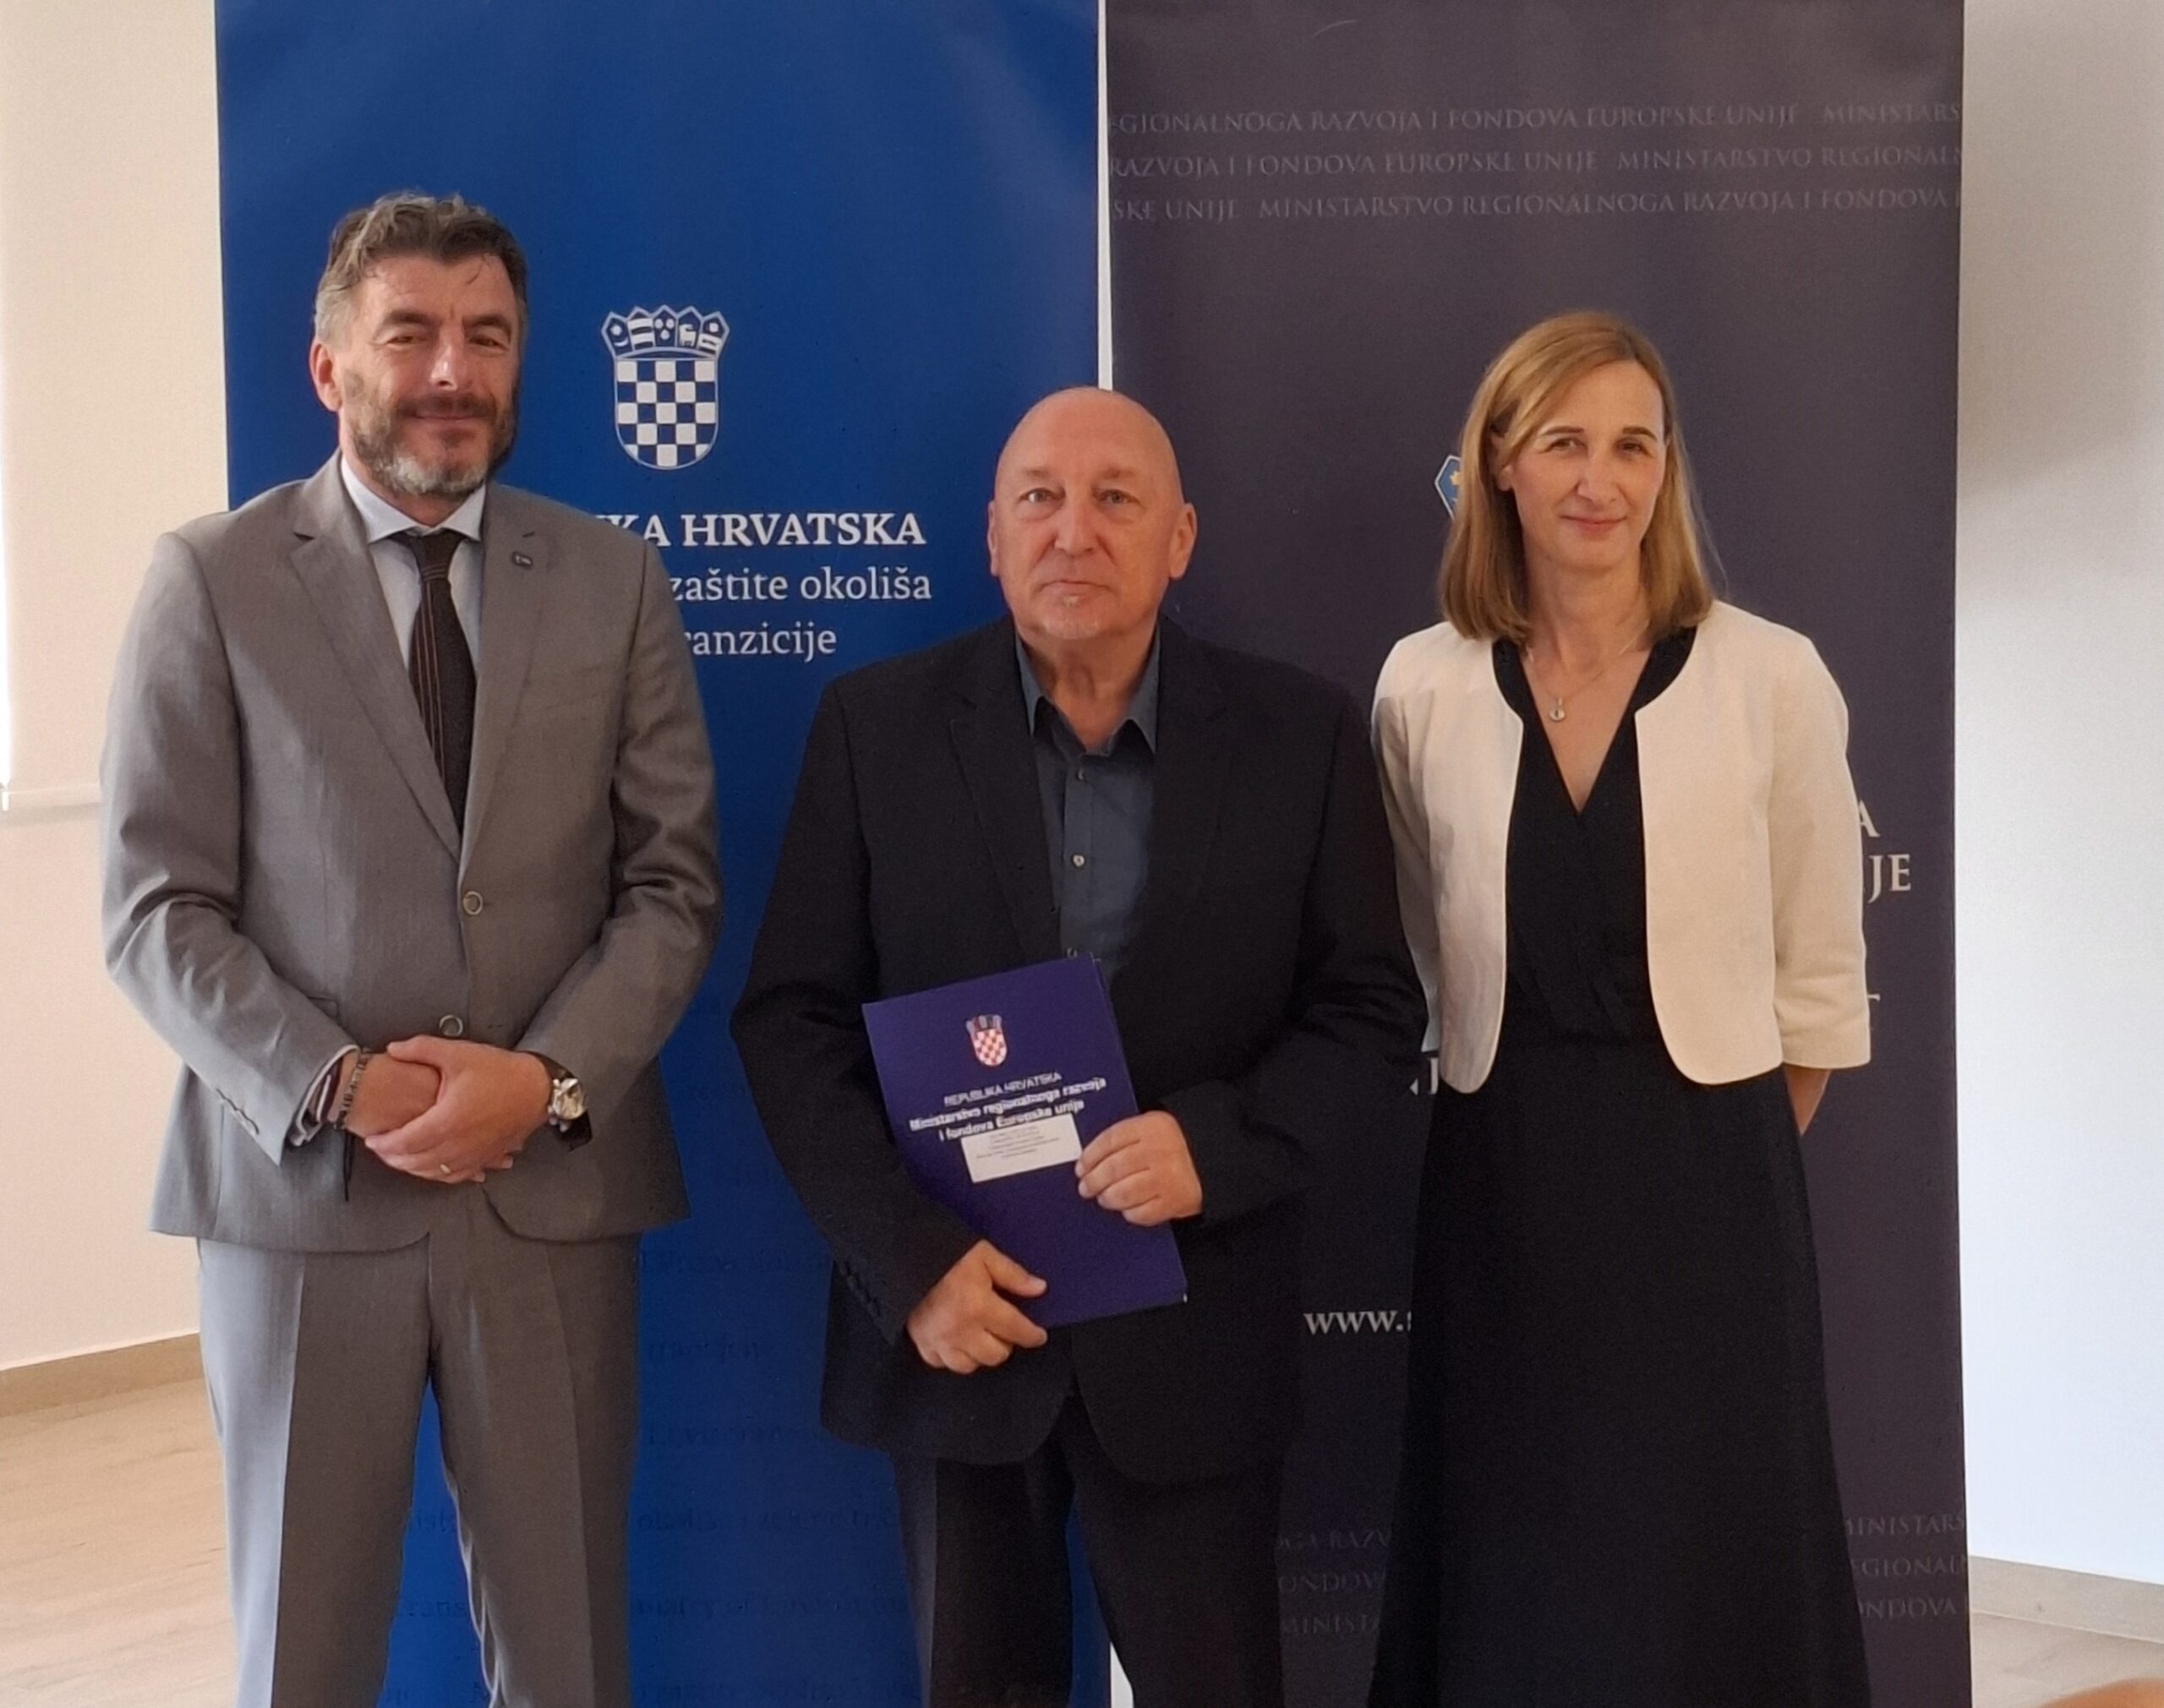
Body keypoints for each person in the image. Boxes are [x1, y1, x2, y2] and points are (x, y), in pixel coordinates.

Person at [101, 192, 720, 1708]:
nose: (454, 369)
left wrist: (545, 1078)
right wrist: (343, 1082)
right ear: (331, 367)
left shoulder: (614, 579)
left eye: (487, 336)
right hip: (301, 1206)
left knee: (569, 1656)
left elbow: (671, 884)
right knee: (301, 1659)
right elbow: (154, 907)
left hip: (549, 1199)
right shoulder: (212, 579)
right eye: (413, 334)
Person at [732, 387, 1425, 1708]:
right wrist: (908, 1262)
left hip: (1196, 1332)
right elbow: (792, 1022)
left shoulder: (1304, 735)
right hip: (959, 1333)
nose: (1073, 530)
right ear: (992, 536)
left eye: (1116, 499)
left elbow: (1371, 1009)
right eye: (1040, 499)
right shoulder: (874, 729)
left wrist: (1216, 1149)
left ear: (1180, 538)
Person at [1367, 312, 1872, 1705]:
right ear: (1500, 465)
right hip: (1502, 1173)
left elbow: (1818, 985)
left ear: (1666, 470)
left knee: (1713, 1535)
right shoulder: (1420, 684)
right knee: (1515, 1534)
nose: (1602, 479)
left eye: (1634, 446)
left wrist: (1720, 1151)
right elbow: (1417, 944)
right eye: (1565, 443)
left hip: (1713, 1183)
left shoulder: (1774, 675)